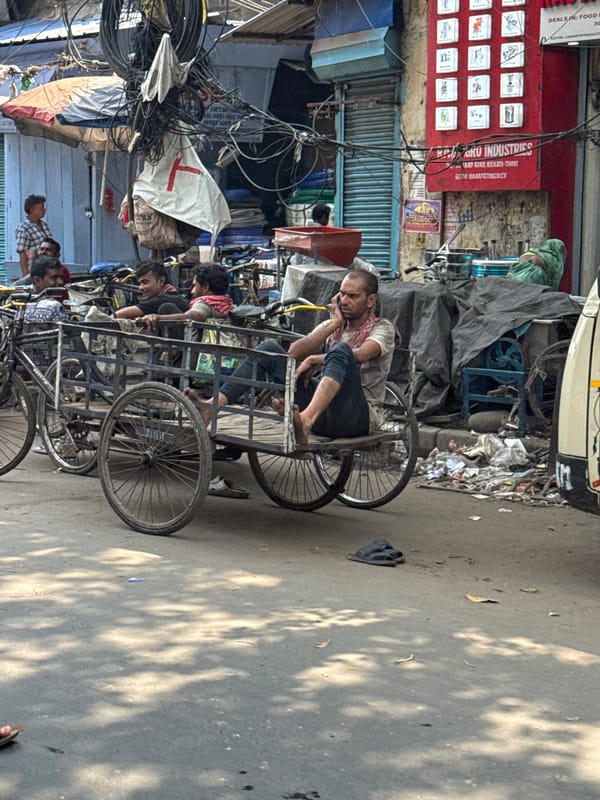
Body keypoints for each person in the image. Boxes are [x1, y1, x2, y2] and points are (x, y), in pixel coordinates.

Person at [187, 269, 396, 444]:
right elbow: (294, 353)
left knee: (341, 351)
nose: (345, 301)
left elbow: (359, 355)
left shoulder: (382, 328)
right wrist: (334, 323)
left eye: (353, 296)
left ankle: (304, 421)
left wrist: (314, 359)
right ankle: (212, 407)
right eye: (342, 295)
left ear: (370, 300)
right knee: (269, 348)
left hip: (357, 416)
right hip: (324, 414)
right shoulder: (333, 326)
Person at [140, 263, 233, 330]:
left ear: (205, 287)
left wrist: (158, 317)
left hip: (197, 351)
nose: (192, 291)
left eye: (195, 286)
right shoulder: (226, 303)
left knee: (167, 307)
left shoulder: (205, 304)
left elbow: (190, 316)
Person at [115, 260, 188, 319]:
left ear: (161, 281)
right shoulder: (172, 295)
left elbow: (118, 315)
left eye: (145, 282)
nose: (141, 288)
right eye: (140, 283)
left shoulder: (165, 299)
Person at [16, 194, 53, 277]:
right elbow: (22, 254)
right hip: (35, 271)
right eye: (41, 208)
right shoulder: (24, 227)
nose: (44, 210)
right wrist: (26, 277)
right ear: (32, 210)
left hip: (48, 269)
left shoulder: (44, 225)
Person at [24, 255, 67, 323]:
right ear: (37, 280)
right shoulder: (54, 306)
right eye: (54, 277)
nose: (60, 282)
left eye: (61, 277)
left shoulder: (20, 303)